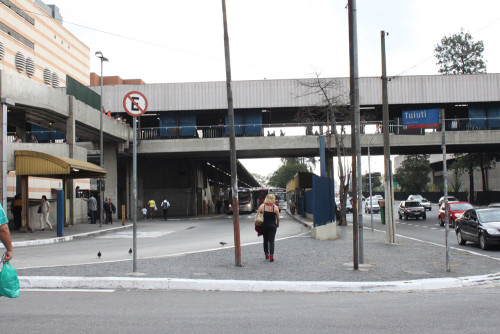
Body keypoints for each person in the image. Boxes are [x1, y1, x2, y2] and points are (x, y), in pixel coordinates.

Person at [255, 194, 280, 262]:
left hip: (264, 226)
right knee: (271, 241)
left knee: (265, 240)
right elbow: (278, 218)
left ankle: (266, 254)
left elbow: (257, 216)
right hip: (272, 226)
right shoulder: (275, 207)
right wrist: (277, 224)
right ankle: (271, 256)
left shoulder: (262, 206)